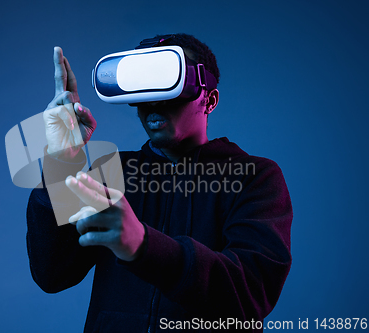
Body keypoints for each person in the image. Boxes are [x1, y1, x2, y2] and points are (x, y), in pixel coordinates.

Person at [26, 33, 292, 332]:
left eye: (167, 84)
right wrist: (61, 160)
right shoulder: (112, 171)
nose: (152, 102)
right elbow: (53, 274)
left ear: (210, 100)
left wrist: (143, 244)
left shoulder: (254, 177)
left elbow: (250, 296)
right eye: (142, 88)